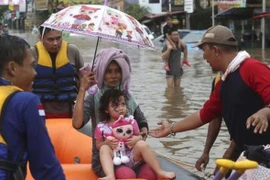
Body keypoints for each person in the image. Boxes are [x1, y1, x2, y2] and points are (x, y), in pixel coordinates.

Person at [149, 25, 270, 176]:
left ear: (215, 50)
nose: (204, 57)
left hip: (265, 155)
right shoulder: (222, 83)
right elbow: (204, 115)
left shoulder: (252, 68)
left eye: (204, 51)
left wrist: (265, 112)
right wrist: (171, 128)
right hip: (249, 153)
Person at [72, 48, 158, 179]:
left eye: (117, 71)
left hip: (132, 154)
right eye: (108, 71)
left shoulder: (128, 96)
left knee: (150, 174)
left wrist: (140, 136)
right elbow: (77, 123)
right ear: (101, 73)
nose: (114, 76)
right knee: (126, 175)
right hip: (107, 158)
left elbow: (141, 121)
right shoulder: (93, 97)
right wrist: (83, 89)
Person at [0, 35, 65, 179]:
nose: (35, 73)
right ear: (12, 68)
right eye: (32, 65)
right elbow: (45, 167)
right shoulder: (26, 102)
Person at [95, 89, 175, 180]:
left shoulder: (131, 122)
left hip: (133, 157)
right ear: (106, 109)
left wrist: (138, 138)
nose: (121, 108)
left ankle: (160, 172)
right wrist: (106, 143)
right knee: (104, 148)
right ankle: (110, 176)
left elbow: (139, 136)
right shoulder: (101, 126)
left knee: (142, 145)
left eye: (123, 104)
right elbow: (98, 145)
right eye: (115, 105)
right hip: (117, 159)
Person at [31, 25, 84, 119]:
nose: (55, 43)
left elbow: (82, 77)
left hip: (68, 108)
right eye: (50, 40)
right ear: (41, 39)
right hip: (40, 110)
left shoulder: (72, 51)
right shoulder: (32, 53)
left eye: (58, 38)